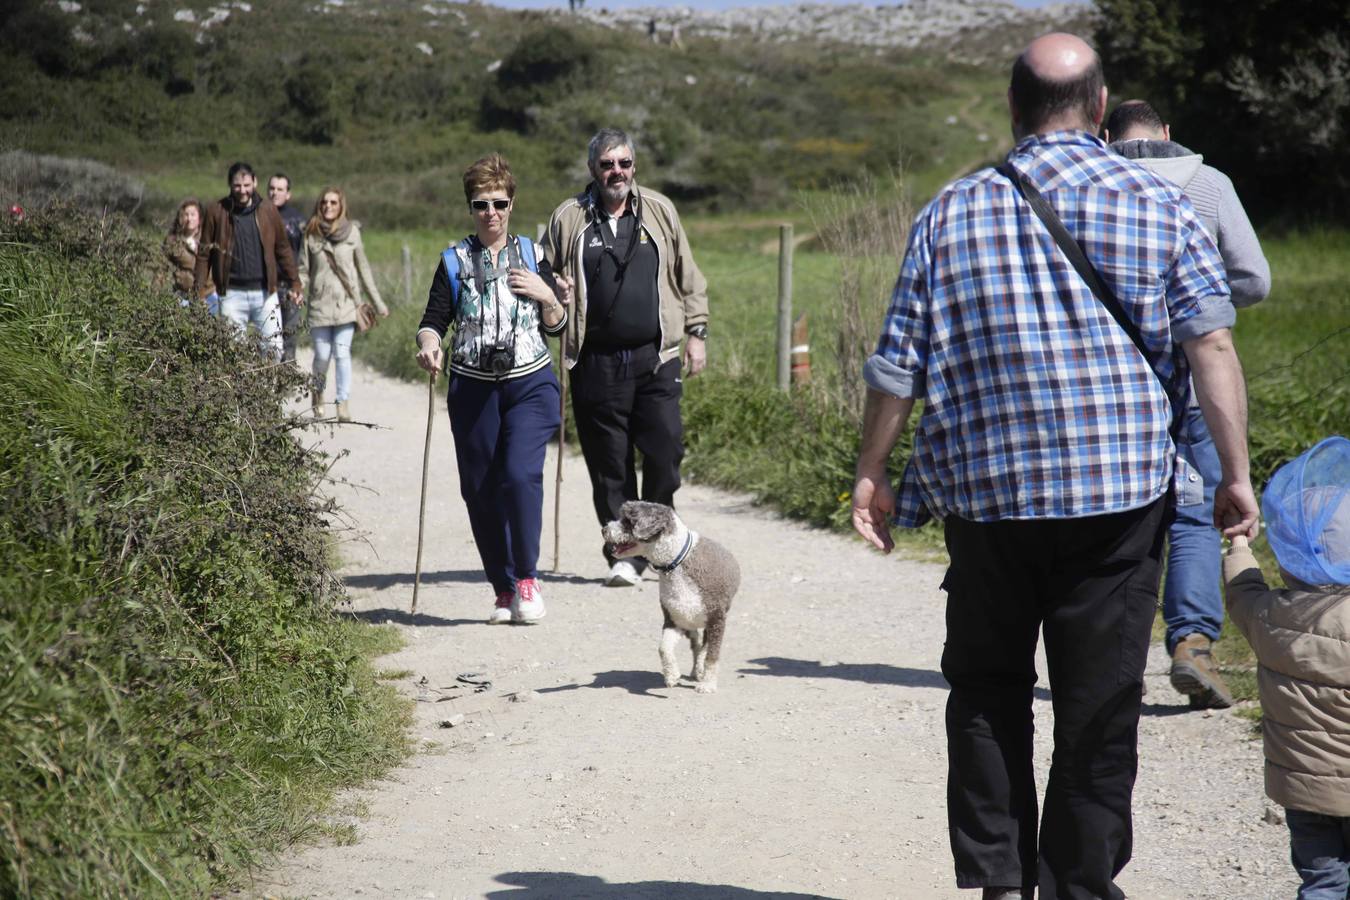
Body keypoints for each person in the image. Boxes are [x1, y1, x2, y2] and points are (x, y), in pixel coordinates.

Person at [850, 33, 1259, 900]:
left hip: (987, 503)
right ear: (1102, 107)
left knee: (989, 692)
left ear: (1013, 107)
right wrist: (1234, 471)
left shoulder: (949, 211)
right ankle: (1077, 886)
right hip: (1118, 502)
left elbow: (898, 366)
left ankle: (1000, 881)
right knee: (1099, 707)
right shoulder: (1158, 205)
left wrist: (872, 471)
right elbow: (1210, 340)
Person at [1104, 98, 1273, 710]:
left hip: (1116, 384)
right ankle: (1193, 642)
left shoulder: (1096, 184)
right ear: (1169, 133)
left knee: (1119, 508)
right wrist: (1201, 298)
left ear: (1106, 133)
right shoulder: (1208, 183)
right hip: (1200, 377)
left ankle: (1102, 649)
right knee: (1196, 510)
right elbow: (1255, 278)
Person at [541, 127, 709, 587]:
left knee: (665, 448)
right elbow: (542, 273)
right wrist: (555, 290)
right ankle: (625, 555)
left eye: (624, 163)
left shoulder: (659, 211)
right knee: (608, 463)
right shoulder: (569, 217)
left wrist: (697, 331)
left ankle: (657, 544)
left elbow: (688, 274)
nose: (617, 172)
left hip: (656, 355)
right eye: (607, 164)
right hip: (595, 360)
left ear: (634, 166)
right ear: (593, 169)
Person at [415, 154, 570, 624]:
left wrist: (547, 295)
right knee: (479, 489)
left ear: (512, 203)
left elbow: (558, 325)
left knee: (520, 476)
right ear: (470, 207)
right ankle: (502, 589)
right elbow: (432, 320)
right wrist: (429, 346)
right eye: (481, 204)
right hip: (474, 388)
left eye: (499, 203)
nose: (491, 213)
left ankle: (527, 578)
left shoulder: (533, 254)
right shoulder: (453, 261)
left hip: (530, 383)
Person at [1224, 436, 1350, 900]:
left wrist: (1238, 546)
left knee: (1322, 883)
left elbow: (1241, 591)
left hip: (1302, 793)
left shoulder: (1270, 618)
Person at [297, 187, 388, 422]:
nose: (328, 206)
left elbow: (364, 269)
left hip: (347, 305)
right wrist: (297, 289)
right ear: (319, 204)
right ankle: (317, 395)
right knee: (322, 356)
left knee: (342, 353)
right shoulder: (311, 233)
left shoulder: (352, 233)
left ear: (341, 206)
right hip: (319, 305)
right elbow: (303, 269)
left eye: (333, 202)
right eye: (324, 202)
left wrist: (378, 303)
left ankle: (342, 403)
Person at [194, 161, 300, 361]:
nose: (242, 191)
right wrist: (198, 291)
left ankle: (265, 392)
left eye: (246, 185)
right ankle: (239, 392)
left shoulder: (268, 210)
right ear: (230, 185)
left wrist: (295, 282)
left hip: (265, 292)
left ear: (255, 182)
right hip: (231, 294)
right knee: (233, 355)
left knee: (274, 350)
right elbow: (204, 254)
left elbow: (283, 249)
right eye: (237, 186)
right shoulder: (216, 211)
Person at [268, 172, 307, 366]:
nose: (275, 193)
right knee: (268, 342)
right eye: (272, 188)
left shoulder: (298, 221)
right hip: (266, 288)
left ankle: (286, 387)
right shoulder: (260, 215)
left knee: (289, 340)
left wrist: (299, 285)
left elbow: (304, 255)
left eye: (280, 189)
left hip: (291, 287)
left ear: (288, 193)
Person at [163, 198, 218, 315]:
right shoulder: (172, 241)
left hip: (209, 295)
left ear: (200, 217)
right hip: (183, 297)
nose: (189, 219)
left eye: (193, 214)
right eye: (185, 215)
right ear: (180, 217)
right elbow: (162, 266)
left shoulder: (209, 238)